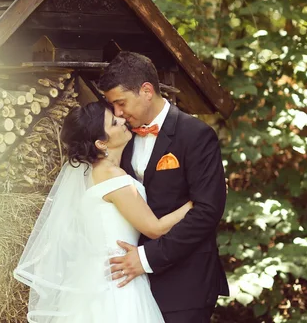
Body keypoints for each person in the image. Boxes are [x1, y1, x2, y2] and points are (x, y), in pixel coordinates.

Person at [14, 100, 193, 323]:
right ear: (101, 142)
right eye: (114, 122)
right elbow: (154, 228)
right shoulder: (111, 176)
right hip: (117, 283)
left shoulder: (95, 173)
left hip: (101, 278)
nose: (122, 121)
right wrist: (194, 204)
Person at [98, 51, 229, 323]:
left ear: (146, 91)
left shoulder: (196, 135)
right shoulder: (124, 138)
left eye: (121, 103)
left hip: (185, 283)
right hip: (131, 288)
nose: (118, 114)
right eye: (113, 107)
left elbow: (207, 211)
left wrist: (146, 259)